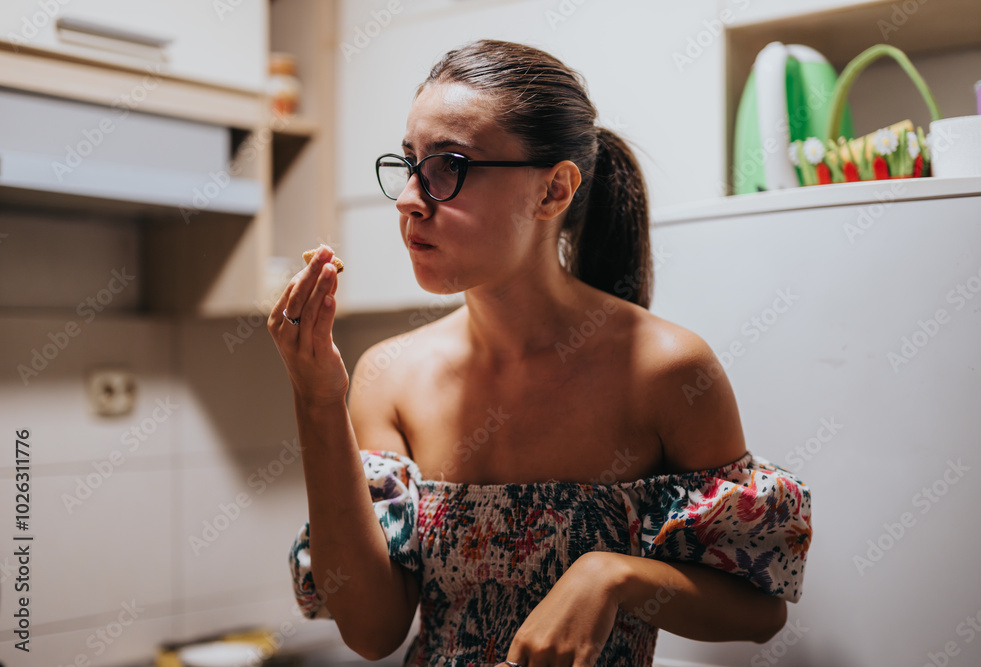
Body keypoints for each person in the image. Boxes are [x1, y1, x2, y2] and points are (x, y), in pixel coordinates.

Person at [270, 39, 812, 667]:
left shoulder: (667, 371)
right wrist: (316, 399)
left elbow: (759, 609)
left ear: (553, 191)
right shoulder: (390, 375)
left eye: (448, 165)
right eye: (410, 162)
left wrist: (614, 577)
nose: (410, 198)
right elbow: (373, 629)